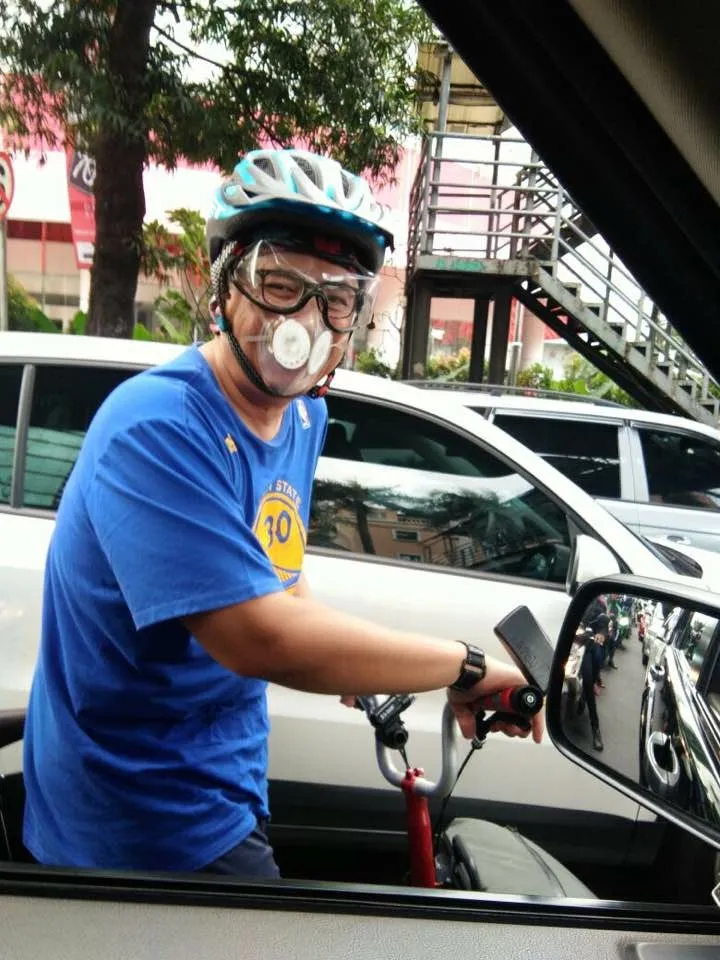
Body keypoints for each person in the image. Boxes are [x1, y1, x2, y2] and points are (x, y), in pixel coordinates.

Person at [22, 148, 542, 880]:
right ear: (225, 287)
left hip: (225, 778)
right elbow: (259, 636)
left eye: (336, 299)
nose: (305, 322)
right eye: (280, 286)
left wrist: (354, 661)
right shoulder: (157, 426)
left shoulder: (301, 419)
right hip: (136, 819)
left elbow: (281, 578)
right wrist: (460, 664)